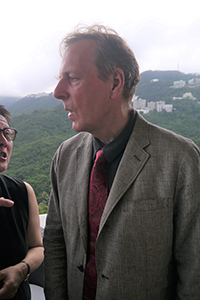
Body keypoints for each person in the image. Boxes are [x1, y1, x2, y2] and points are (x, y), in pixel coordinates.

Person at [44, 24, 200, 299]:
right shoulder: (64, 157)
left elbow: (194, 269)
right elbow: (56, 243)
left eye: (72, 78)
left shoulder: (181, 159)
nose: (58, 91)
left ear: (115, 83)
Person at [0, 105, 44, 299]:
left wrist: (21, 269)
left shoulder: (22, 191)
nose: (3, 141)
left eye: (7, 134)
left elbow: (37, 247)